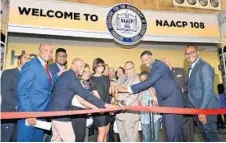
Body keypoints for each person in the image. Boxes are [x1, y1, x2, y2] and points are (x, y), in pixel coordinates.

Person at [116, 50, 184, 142]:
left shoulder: (159, 66)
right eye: (143, 61)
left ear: (152, 57)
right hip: (165, 101)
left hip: (172, 100)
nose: (145, 62)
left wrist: (126, 89)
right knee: (167, 132)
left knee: (173, 132)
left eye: (146, 59)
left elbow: (148, 82)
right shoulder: (153, 68)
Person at [51, 58, 116, 142]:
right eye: (81, 66)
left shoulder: (67, 75)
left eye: (83, 66)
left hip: (56, 112)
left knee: (56, 140)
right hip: (61, 113)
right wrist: (105, 105)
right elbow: (85, 95)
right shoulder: (72, 78)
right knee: (70, 139)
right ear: (73, 65)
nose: (82, 68)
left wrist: (97, 108)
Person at [17, 43, 56, 142]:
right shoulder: (31, 65)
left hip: (42, 115)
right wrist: (29, 113)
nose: (49, 53)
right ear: (39, 51)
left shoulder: (48, 68)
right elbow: (22, 91)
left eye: (51, 51)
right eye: (46, 50)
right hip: (30, 114)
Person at [185, 44, 220, 141]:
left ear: (197, 52)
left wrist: (202, 110)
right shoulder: (191, 68)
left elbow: (207, 90)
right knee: (205, 136)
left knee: (211, 136)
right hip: (197, 109)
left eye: (191, 52)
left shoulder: (204, 66)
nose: (189, 55)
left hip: (206, 108)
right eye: (187, 54)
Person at [161, 58, 194, 142]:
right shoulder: (160, 78)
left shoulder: (181, 71)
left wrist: (182, 89)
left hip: (184, 109)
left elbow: (191, 86)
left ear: (169, 62)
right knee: (172, 136)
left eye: (165, 62)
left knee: (187, 134)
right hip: (169, 111)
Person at [1, 53, 31, 142]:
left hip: (22, 117)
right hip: (9, 113)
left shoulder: (29, 77)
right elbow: (5, 92)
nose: (28, 60)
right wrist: (18, 105)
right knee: (5, 139)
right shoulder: (8, 73)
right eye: (25, 58)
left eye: (30, 59)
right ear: (19, 61)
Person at [116, 61, 140, 142]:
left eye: (129, 69)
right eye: (125, 69)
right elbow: (115, 89)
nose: (127, 71)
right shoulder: (122, 77)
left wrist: (123, 104)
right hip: (119, 112)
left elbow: (134, 95)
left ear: (134, 69)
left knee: (131, 136)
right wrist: (114, 103)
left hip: (130, 113)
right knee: (122, 136)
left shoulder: (137, 79)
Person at [90, 58, 112, 142]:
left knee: (106, 132)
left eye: (102, 66)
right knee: (101, 132)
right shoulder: (92, 79)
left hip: (108, 108)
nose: (101, 68)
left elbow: (110, 92)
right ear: (94, 67)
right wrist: (103, 106)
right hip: (99, 108)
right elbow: (96, 96)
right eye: (98, 66)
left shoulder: (106, 78)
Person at [71, 63, 94, 142]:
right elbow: (81, 100)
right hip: (77, 113)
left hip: (85, 114)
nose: (88, 73)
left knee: (85, 137)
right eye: (85, 71)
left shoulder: (88, 85)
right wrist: (94, 108)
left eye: (89, 71)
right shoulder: (78, 83)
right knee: (79, 138)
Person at [139, 71, 162, 142]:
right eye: (141, 80)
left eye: (144, 80)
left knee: (155, 137)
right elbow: (139, 100)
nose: (143, 82)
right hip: (144, 116)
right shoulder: (140, 89)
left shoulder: (155, 87)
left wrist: (153, 94)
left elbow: (158, 103)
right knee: (146, 138)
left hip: (155, 116)